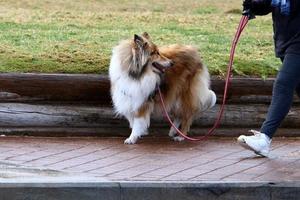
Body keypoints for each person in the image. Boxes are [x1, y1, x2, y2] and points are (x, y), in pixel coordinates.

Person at [237, 0, 300, 157]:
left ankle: (264, 138)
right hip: (286, 39)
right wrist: (253, 5)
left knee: (283, 84)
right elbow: (268, 6)